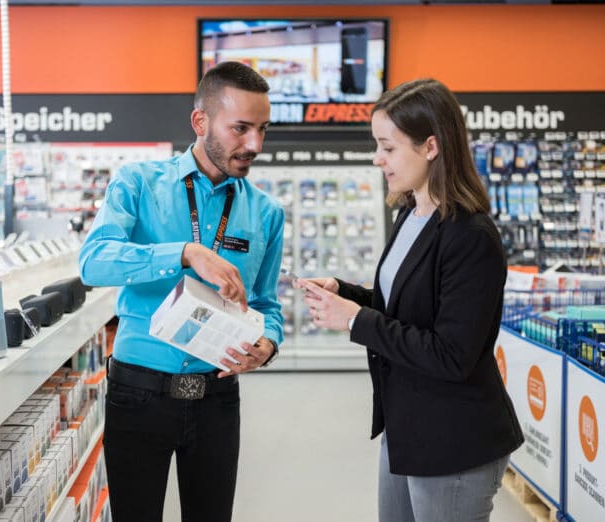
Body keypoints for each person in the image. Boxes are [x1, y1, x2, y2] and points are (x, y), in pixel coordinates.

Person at [295, 78, 524, 522]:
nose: (377, 158)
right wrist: (346, 293)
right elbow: (404, 305)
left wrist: (356, 320)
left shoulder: (471, 237)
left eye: (388, 146)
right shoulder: (412, 212)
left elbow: (452, 354)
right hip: (407, 427)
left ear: (431, 147)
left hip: (454, 440)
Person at [78, 61, 284, 522]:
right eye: (241, 128)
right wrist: (185, 252)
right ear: (201, 121)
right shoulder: (138, 183)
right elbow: (94, 261)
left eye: (263, 130)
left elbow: (268, 304)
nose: (254, 144)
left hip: (217, 398)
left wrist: (268, 343)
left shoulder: (266, 212)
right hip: (139, 394)